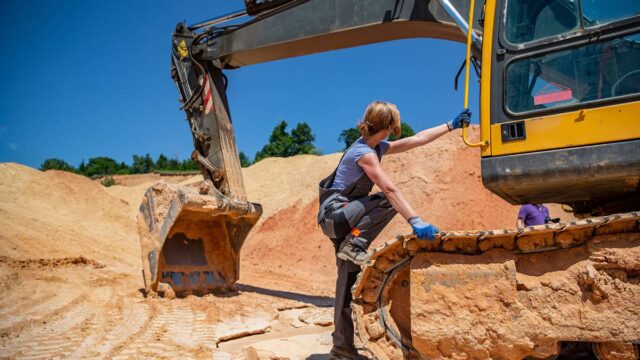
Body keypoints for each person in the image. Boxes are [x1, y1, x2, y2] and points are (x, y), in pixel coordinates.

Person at [317, 101, 471, 359]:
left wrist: (450, 126)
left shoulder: (376, 147)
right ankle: (353, 244)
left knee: (347, 282)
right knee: (386, 199)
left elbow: (417, 140)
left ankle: (341, 348)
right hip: (336, 215)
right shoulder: (363, 153)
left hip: (344, 219)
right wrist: (415, 220)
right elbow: (389, 189)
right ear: (389, 128)